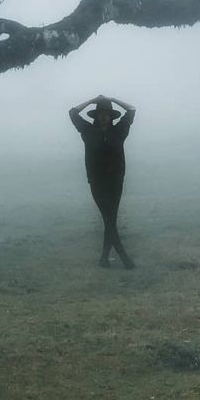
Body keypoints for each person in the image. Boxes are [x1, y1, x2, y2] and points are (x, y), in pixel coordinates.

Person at [68, 93, 137, 268]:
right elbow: (73, 112)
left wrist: (113, 99)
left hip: (115, 182)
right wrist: (93, 100)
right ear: (96, 116)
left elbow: (131, 109)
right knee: (109, 219)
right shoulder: (88, 131)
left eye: (107, 114)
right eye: (101, 114)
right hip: (97, 183)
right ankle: (123, 258)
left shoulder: (119, 131)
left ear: (111, 117)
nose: (104, 117)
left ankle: (104, 259)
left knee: (110, 219)